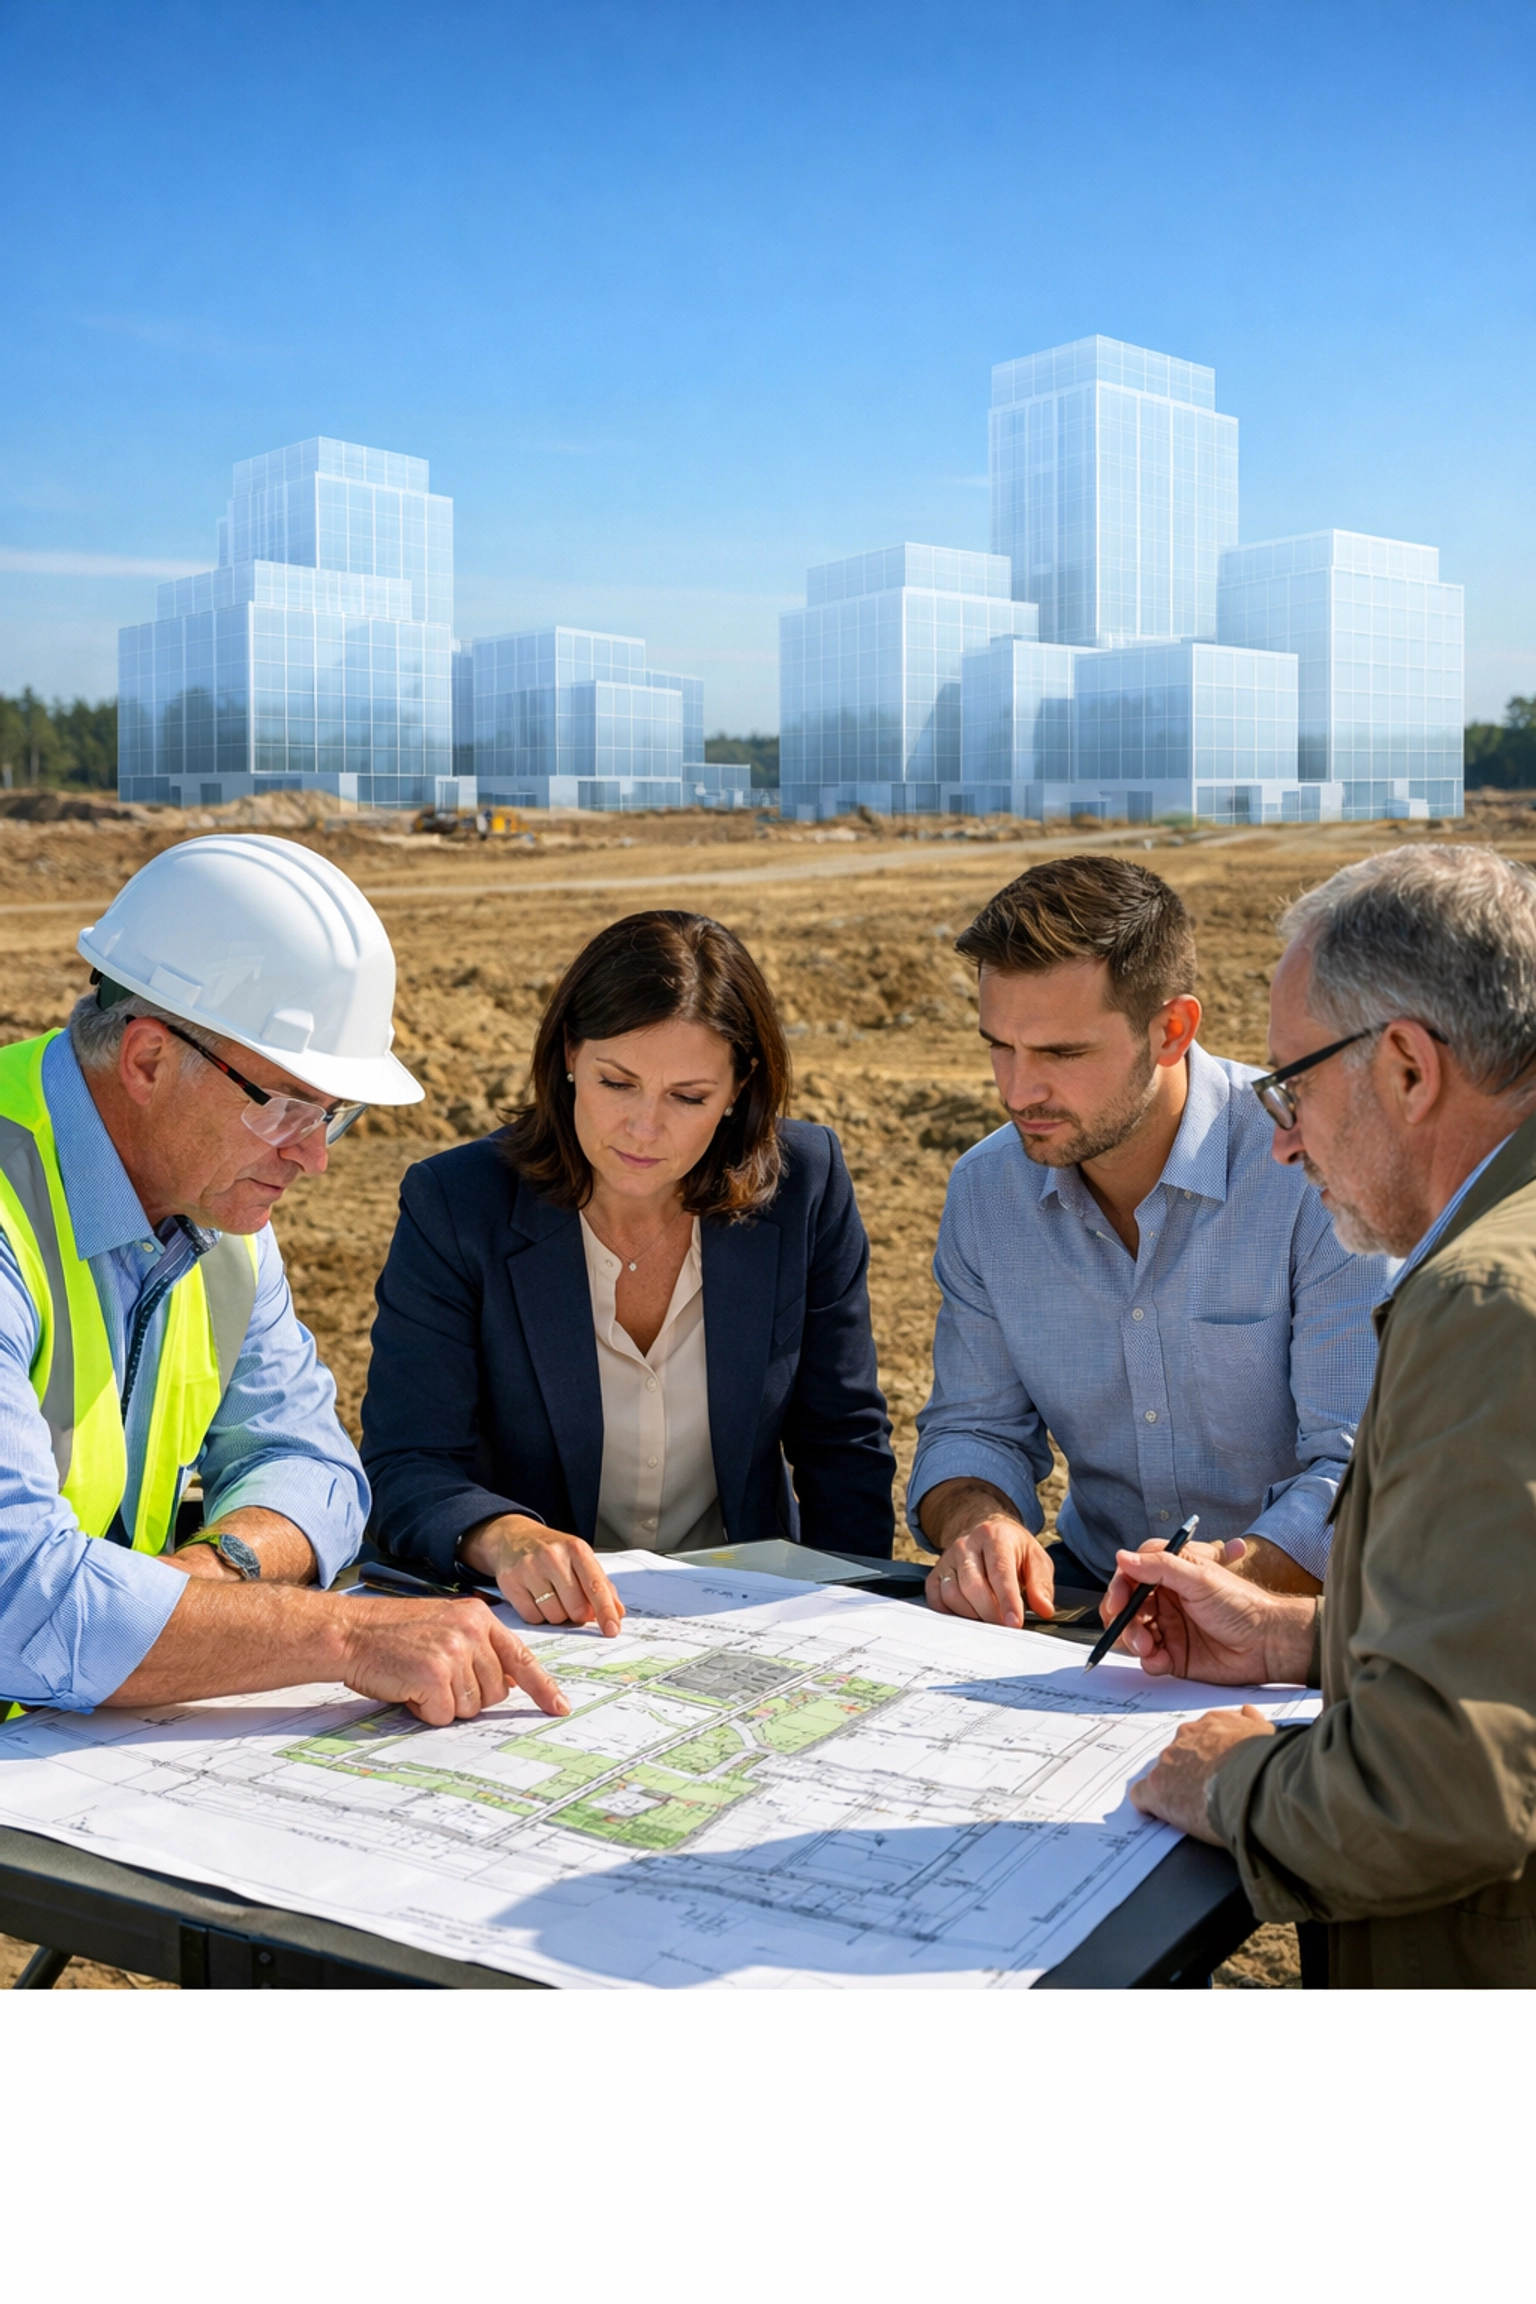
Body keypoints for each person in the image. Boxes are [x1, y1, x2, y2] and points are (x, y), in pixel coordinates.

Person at [0, 835, 565, 1729]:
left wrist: (214, 1582)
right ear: (147, 1061)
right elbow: (16, 1602)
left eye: (332, 1117)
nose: (313, 1158)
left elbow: (317, 1469)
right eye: (290, 1106)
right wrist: (343, 1638)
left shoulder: (216, 1213)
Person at [1121, 844, 1536, 1988]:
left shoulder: (1486, 1302)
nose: (1286, 1140)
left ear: (1406, 1067)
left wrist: (1227, 1784)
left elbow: (1444, 1789)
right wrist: (1297, 1637)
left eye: (1293, 1088)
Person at [362, 909, 896, 1630]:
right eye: (618, 1084)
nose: (646, 1129)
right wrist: (506, 1537)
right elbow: (408, 1461)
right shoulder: (457, 1204)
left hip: (746, 1621)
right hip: (537, 1625)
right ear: (570, 1057)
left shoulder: (805, 1186)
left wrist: (850, 1621)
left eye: (688, 1098)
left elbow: (843, 1448)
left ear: (739, 1089)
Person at [909, 855, 1389, 1629]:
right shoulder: (987, 1191)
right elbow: (973, 1429)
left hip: (1303, 1618)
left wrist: (1215, 1588)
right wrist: (978, 1522)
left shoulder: (1314, 1171)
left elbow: (1359, 1473)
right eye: (999, 1045)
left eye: (1062, 1054)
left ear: (1171, 1030)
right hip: (1096, 1597)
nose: (1018, 1090)